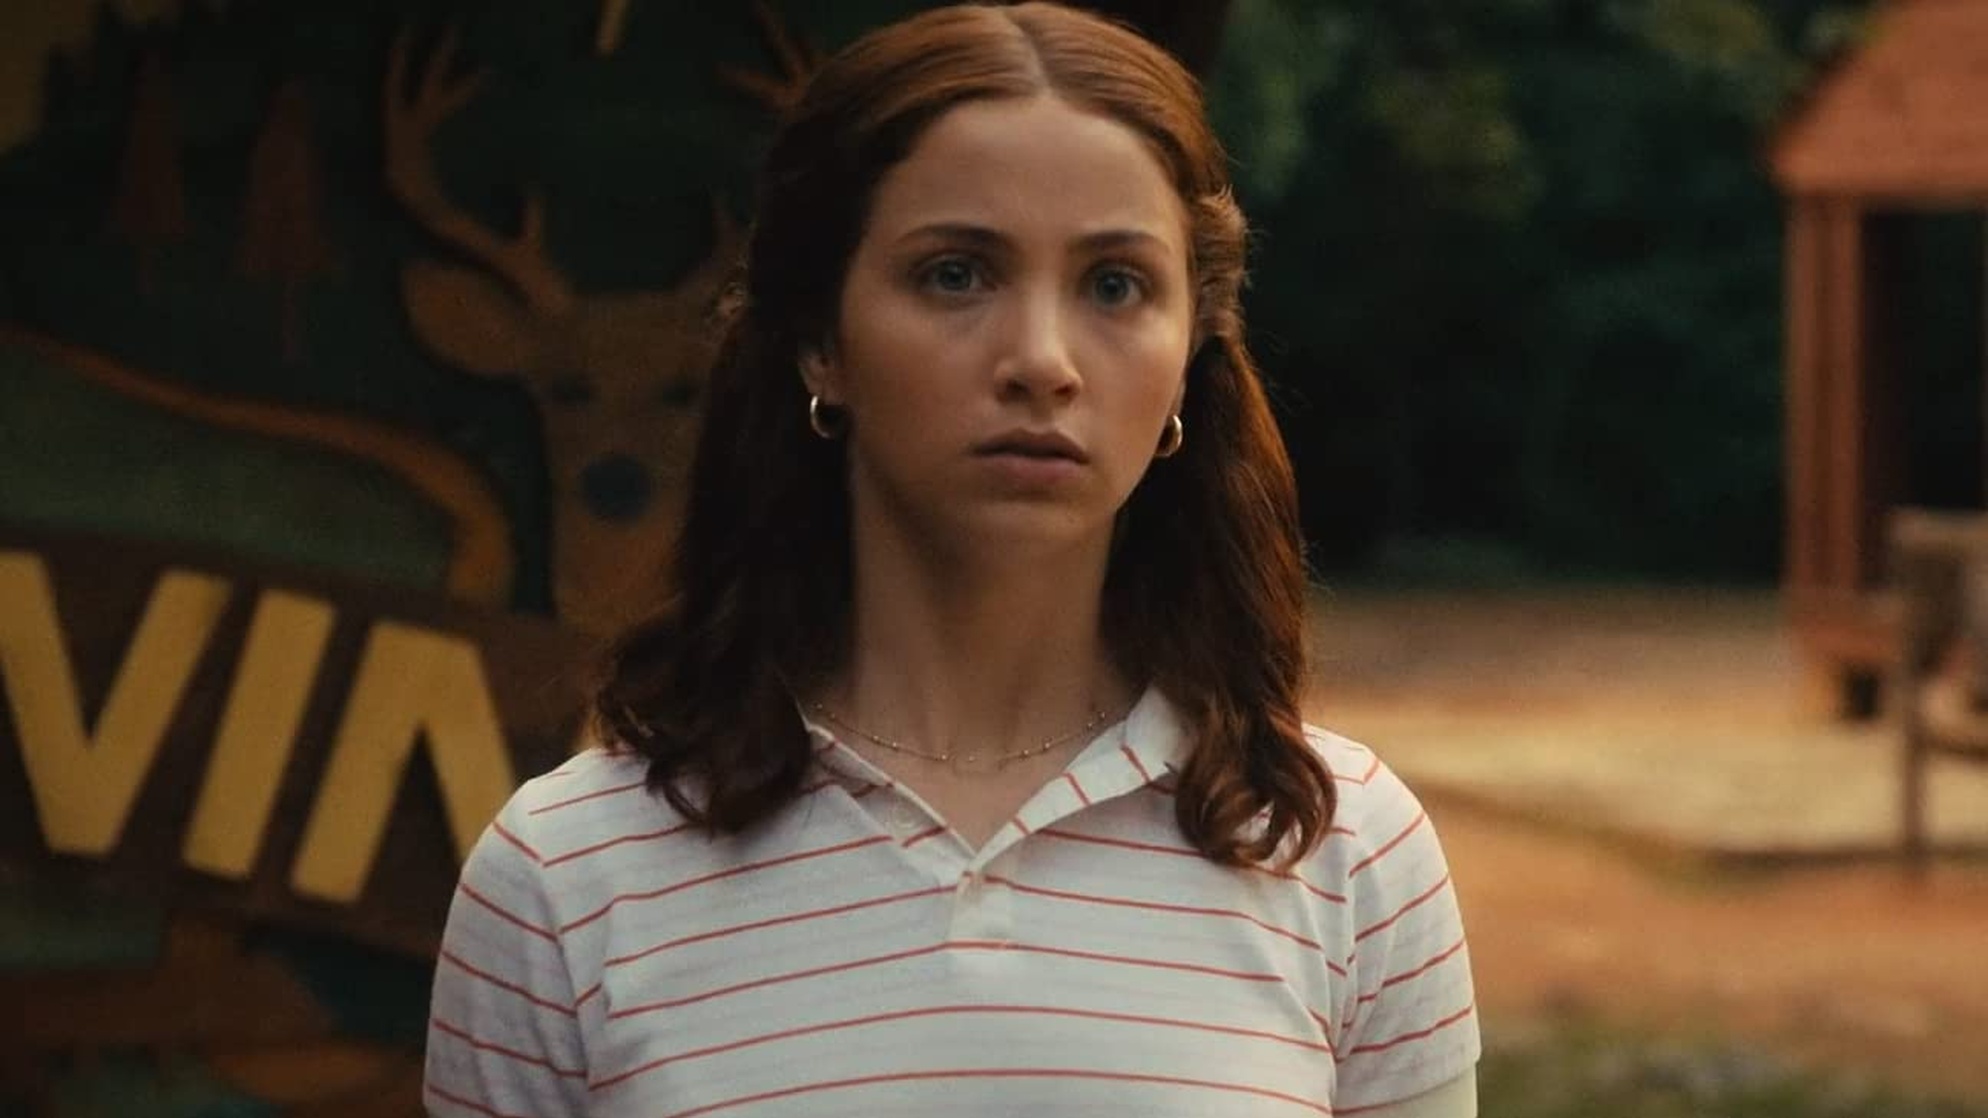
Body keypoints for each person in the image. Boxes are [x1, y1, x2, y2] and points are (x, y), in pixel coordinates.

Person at [423, 3, 1480, 1115]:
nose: (1041, 360)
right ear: (819, 341)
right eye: (956, 275)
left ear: (1189, 355)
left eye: (1114, 284)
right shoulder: (566, 879)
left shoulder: (1341, 852)